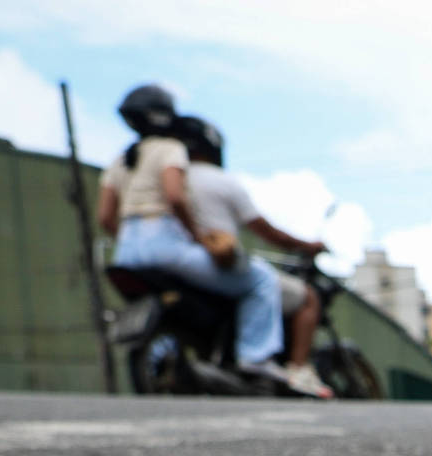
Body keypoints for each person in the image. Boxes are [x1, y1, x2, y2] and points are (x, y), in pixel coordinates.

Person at [96, 85, 315, 397]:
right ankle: (255, 358)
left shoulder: (120, 160)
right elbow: (174, 196)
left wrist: (129, 241)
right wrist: (196, 235)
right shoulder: (170, 149)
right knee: (260, 279)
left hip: (127, 251)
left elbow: (105, 216)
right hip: (166, 245)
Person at [176, 117, 331, 399]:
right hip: (216, 262)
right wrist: (305, 245)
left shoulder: (174, 178)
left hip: (183, 261)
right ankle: (289, 367)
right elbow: (264, 230)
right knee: (300, 294)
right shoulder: (221, 182)